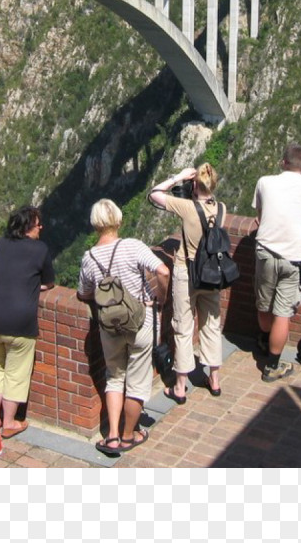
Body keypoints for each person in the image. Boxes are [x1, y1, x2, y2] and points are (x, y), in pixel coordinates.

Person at [77, 198, 170, 455]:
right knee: (138, 382)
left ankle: (113, 436)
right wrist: (160, 298)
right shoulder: (132, 246)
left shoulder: (89, 257)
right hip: (140, 321)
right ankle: (130, 436)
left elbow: (84, 293)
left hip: (109, 326)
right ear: (118, 220)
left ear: (95, 224)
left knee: (114, 377)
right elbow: (163, 271)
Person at [148, 163, 226, 403]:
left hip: (186, 271)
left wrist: (178, 176)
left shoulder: (186, 207)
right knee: (211, 325)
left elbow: (154, 194)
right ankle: (214, 380)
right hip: (212, 273)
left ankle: (180, 387)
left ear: (194, 184)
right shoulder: (221, 208)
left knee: (183, 328)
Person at [253, 143, 301, 382]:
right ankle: (272, 366)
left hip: (265, 250)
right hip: (295, 257)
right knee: (282, 314)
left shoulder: (265, 182)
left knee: (264, 305)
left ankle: (265, 342)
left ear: (282, 162)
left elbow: (260, 216)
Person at [0, 205, 55, 439]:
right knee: (16, 374)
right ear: (28, 227)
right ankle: (9, 423)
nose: (41, 227)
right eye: (37, 224)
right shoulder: (40, 249)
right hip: (19, 321)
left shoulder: (1, 244)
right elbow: (49, 283)